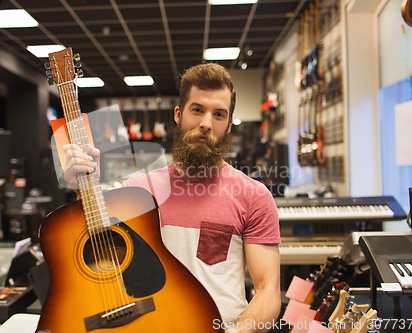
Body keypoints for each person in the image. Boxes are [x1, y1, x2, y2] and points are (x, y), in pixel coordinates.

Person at [61, 63, 281, 333]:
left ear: (228, 124)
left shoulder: (254, 196)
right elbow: (96, 252)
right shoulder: (139, 191)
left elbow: (268, 291)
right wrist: (80, 186)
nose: (206, 123)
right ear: (178, 114)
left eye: (219, 114)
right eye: (197, 110)